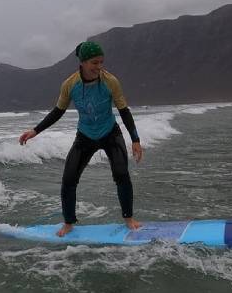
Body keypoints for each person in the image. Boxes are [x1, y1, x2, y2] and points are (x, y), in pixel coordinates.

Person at [19, 41, 143, 237]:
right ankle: (68, 223)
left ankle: (129, 219)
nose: (99, 66)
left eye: (101, 62)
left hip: (110, 132)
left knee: (121, 174)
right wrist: (35, 130)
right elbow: (58, 112)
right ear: (83, 62)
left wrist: (135, 140)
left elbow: (124, 111)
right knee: (69, 179)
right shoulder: (70, 85)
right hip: (85, 135)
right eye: (94, 62)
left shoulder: (111, 81)